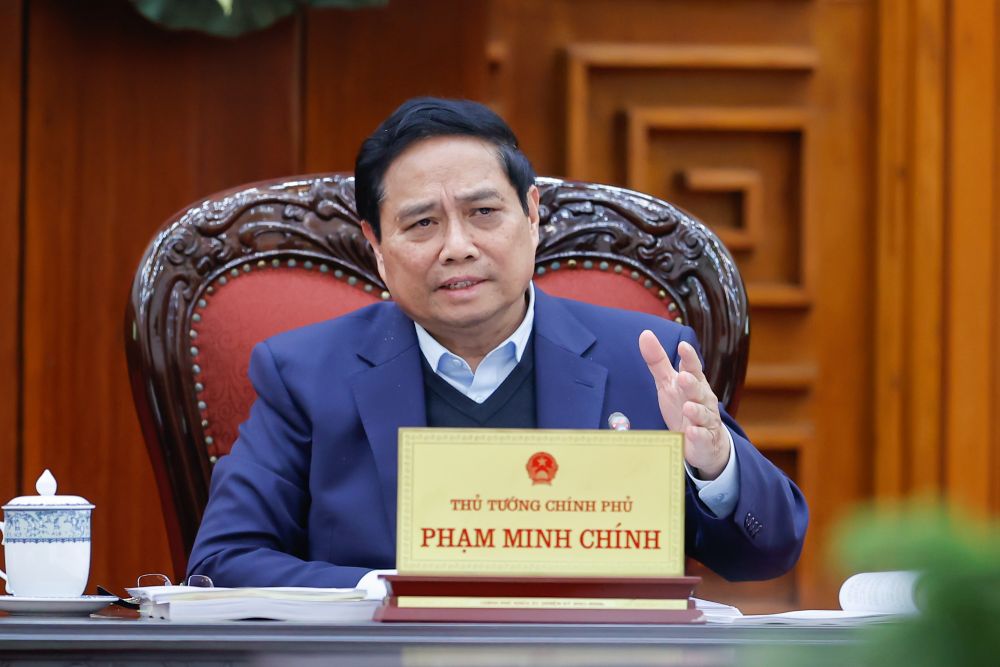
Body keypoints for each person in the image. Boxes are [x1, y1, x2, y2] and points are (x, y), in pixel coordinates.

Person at [187, 98, 808, 587]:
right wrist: (388, 594)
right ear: (374, 246)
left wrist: (714, 463)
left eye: (485, 213)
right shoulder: (304, 372)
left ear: (533, 216)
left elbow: (767, 552)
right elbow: (223, 560)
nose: (457, 246)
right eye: (422, 222)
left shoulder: (642, 359)